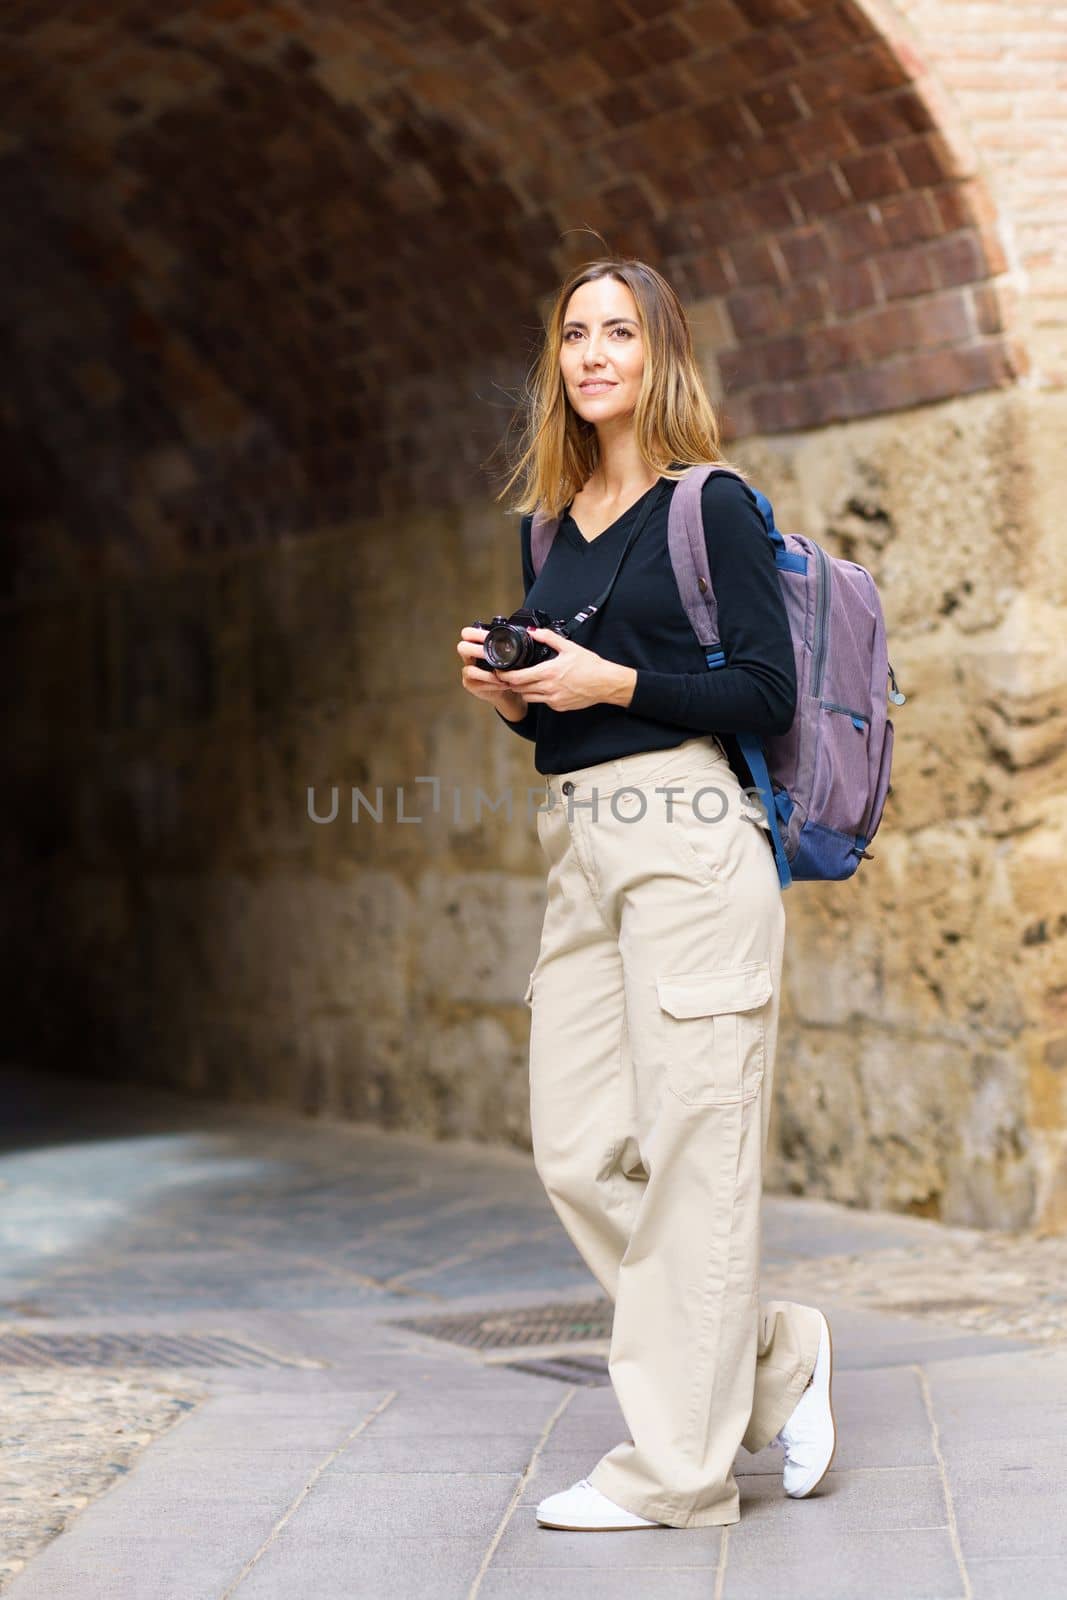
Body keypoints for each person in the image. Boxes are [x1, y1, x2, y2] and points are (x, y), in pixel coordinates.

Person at [457, 256, 836, 1531]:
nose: (592, 353)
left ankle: (676, 1476)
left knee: (692, 1153)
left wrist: (611, 684)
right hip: (584, 853)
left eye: (618, 331)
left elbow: (764, 696)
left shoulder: (706, 505)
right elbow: (561, 721)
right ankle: (770, 1351)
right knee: (578, 1149)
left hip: (690, 843)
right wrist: (518, 694)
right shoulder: (550, 527)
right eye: (574, 333)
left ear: (658, 353)